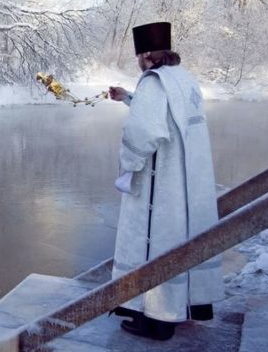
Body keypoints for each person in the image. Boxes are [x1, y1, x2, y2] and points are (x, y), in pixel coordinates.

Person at [107, 22, 224, 341]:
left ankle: (157, 321)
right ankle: (177, 309)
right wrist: (129, 98)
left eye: (138, 57)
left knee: (155, 246)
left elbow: (145, 131)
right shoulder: (182, 79)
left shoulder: (154, 82)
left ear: (146, 55)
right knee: (178, 242)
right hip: (186, 184)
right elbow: (164, 115)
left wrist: (127, 166)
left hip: (160, 188)